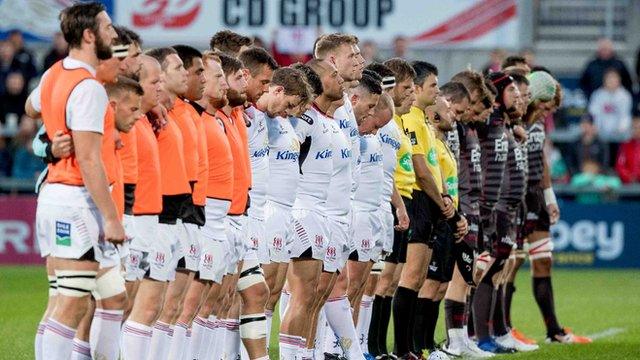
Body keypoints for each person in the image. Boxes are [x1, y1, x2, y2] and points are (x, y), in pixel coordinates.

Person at [26, 2, 122, 359]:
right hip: (74, 200)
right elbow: (89, 159)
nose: (114, 34)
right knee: (71, 304)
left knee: (66, 301)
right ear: (88, 34)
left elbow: (30, 107)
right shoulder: (88, 87)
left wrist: (54, 137)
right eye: (108, 27)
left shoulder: (53, 73)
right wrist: (111, 217)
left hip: (53, 195)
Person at [278, 59, 340, 359]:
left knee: (313, 294)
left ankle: (308, 353)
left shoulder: (325, 120)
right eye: (333, 75)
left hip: (319, 212)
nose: (339, 79)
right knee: (301, 294)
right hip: (301, 211)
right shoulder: (301, 120)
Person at [587, 68, 633, 142]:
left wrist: (621, 128)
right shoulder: (598, 94)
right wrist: (596, 127)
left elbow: (625, 116)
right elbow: (594, 113)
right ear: (604, 80)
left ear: (619, 80)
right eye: (609, 79)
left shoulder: (625, 96)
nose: (611, 81)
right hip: (601, 133)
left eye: (614, 79)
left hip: (619, 133)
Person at [615, 117, 640, 183]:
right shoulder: (625, 146)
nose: (636, 130)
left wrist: (637, 176)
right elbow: (620, 165)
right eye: (634, 128)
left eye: (638, 128)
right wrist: (628, 177)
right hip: (628, 182)